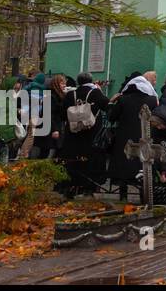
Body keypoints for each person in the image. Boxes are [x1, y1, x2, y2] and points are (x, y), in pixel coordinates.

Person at [108, 72, 159, 202]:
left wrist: (111, 103)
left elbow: (111, 117)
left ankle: (123, 195)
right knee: (142, 166)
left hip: (124, 138)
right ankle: (144, 195)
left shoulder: (123, 99)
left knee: (124, 167)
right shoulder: (153, 100)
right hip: (144, 137)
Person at [60, 74, 109, 196]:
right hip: (91, 132)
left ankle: (73, 184)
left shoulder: (71, 94)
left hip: (73, 132)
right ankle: (89, 186)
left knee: (73, 158)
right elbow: (107, 106)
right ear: (91, 81)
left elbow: (62, 113)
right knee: (90, 158)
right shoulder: (96, 93)